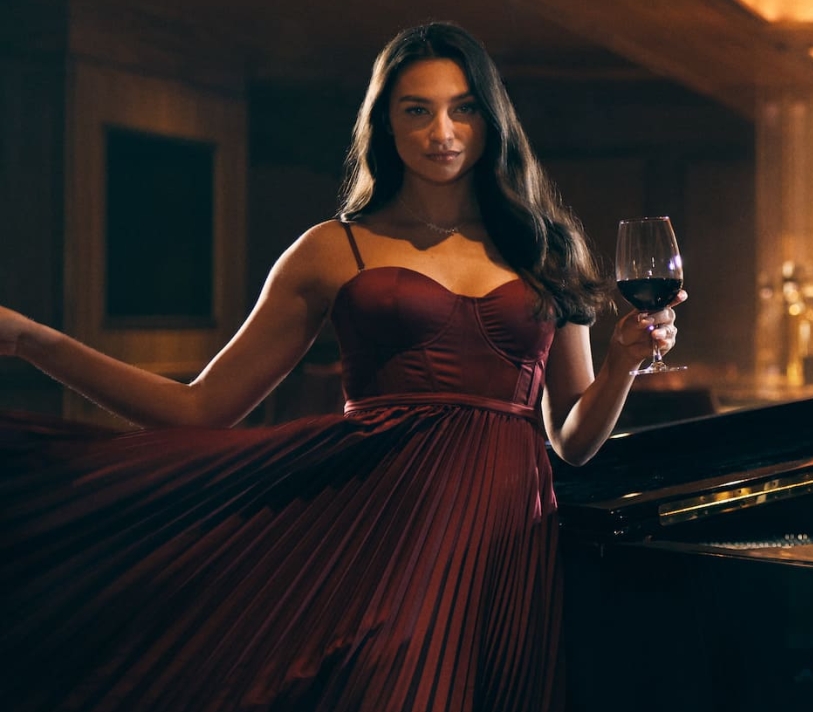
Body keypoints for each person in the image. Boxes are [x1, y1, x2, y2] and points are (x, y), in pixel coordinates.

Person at [0, 22, 680, 711]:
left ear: (492, 118)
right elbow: (202, 409)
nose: (442, 130)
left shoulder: (548, 250)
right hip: (376, 535)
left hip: (509, 546)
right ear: (385, 122)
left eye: (463, 107)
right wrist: (33, 341)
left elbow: (573, 440)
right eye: (417, 110)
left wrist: (623, 361)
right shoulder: (331, 250)